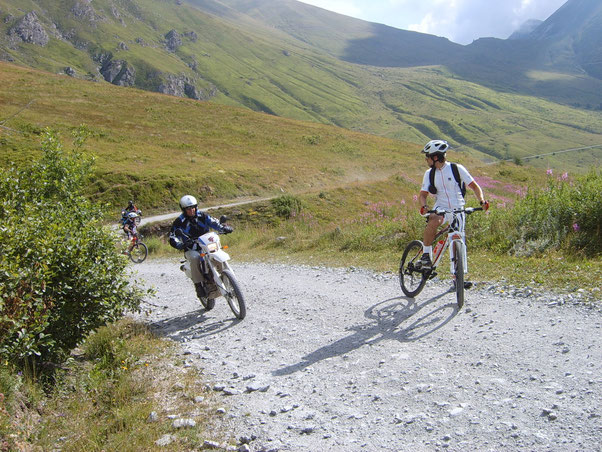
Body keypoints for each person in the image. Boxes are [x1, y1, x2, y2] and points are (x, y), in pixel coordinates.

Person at [417, 139, 489, 283]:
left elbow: (474, 186)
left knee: (457, 240)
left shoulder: (457, 169)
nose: (426, 159)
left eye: (428, 156)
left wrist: (482, 201)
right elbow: (423, 194)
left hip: (458, 208)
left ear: (435, 157)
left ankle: (458, 277)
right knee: (433, 220)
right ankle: (426, 255)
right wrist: (424, 206)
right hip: (441, 206)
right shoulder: (429, 174)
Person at [169, 195, 233, 298]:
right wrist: (180, 244)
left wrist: (224, 228)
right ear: (183, 209)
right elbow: (172, 237)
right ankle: (198, 285)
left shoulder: (203, 216)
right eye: (188, 208)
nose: (191, 210)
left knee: (217, 253)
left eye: (193, 207)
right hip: (191, 248)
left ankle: (227, 278)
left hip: (206, 244)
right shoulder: (179, 222)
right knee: (195, 258)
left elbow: (214, 223)